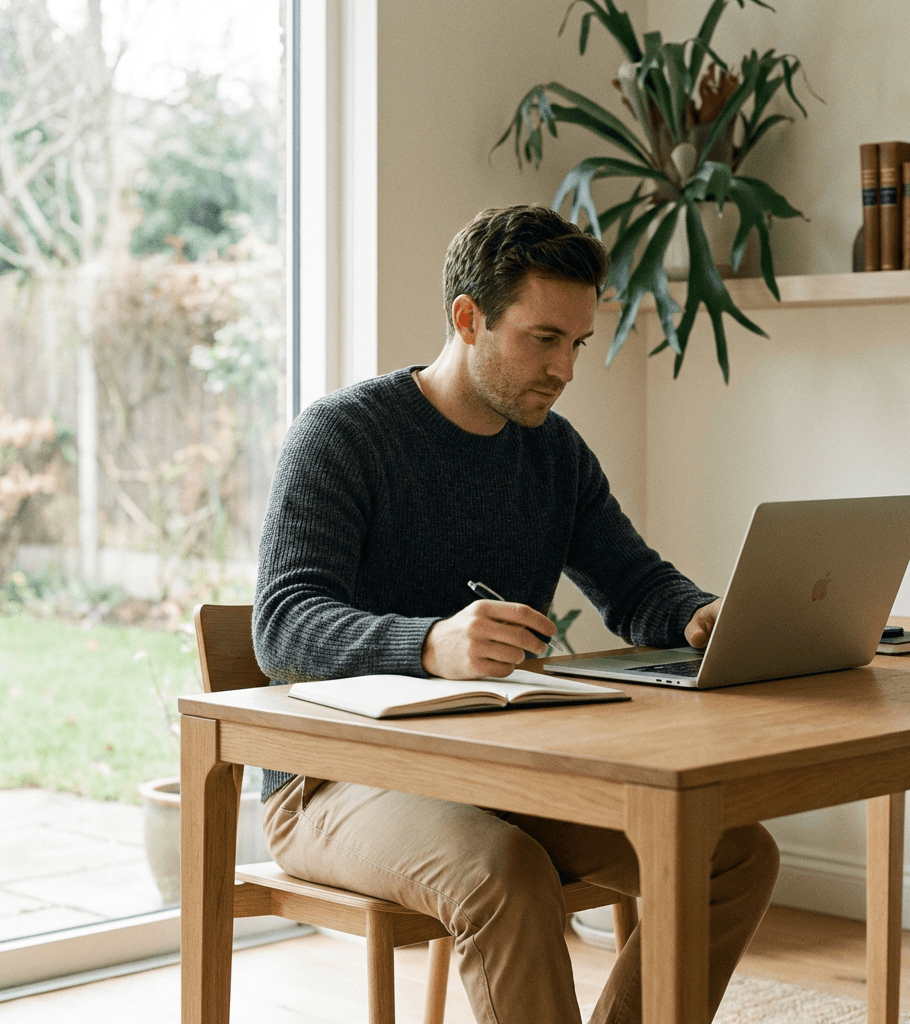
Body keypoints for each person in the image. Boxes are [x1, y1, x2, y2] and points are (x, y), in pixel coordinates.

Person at [253, 205, 779, 1024]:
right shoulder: (342, 436)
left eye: (577, 342)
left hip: (498, 765)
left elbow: (634, 584)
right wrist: (428, 643)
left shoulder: (554, 452)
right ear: (469, 318)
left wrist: (700, 614)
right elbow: (283, 622)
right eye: (544, 339)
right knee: (505, 873)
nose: (566, 368)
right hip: (335, 780)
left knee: (730, 851)